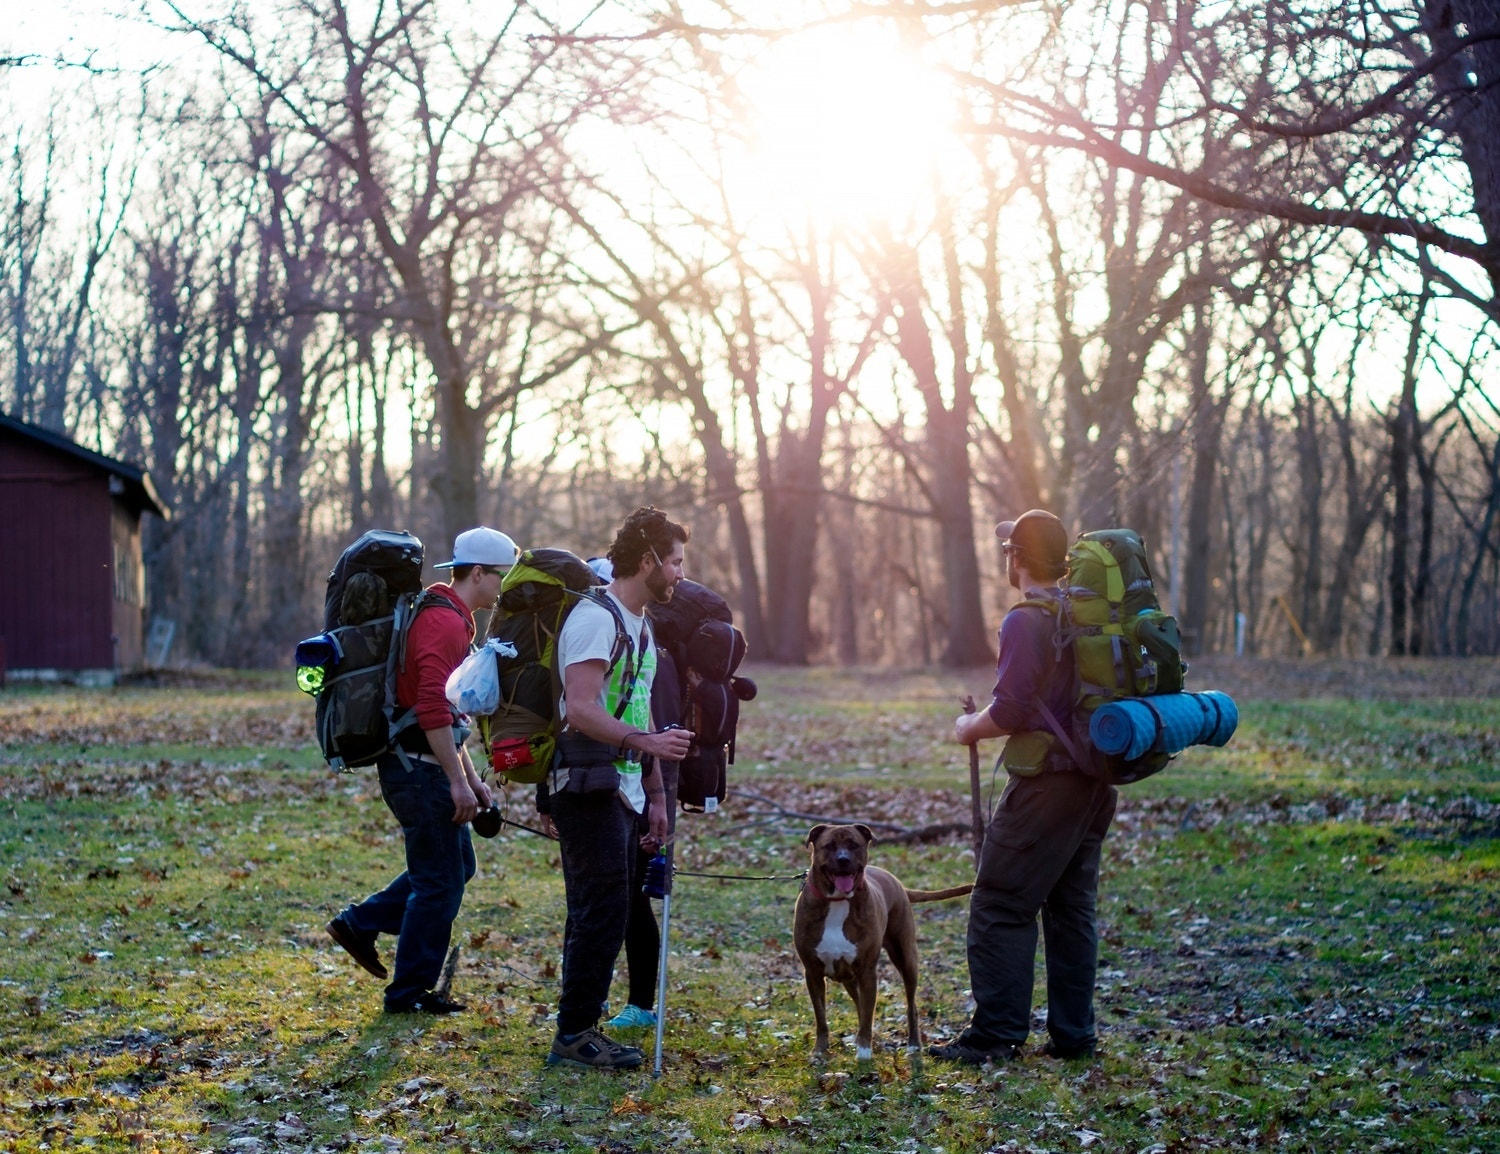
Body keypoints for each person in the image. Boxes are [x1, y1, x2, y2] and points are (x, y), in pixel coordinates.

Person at [929, 509, 1117, 1066]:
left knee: (999, 902)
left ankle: (995, 1035)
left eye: (1008, 550)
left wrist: (969, 727)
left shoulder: (1026, 619)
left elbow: (1009, 710)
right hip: (1095, 780)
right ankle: (1074, 1036)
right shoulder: (1083, 613)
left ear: (1016, 557)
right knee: (1070, 908)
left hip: (1047, 786)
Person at [326, 527, 516, 1014]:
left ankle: (361, 923)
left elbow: (448, 715)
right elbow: (431, 709)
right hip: (419, 771)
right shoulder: (444, 623)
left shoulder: (446, 614)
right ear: (478, 573)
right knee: (439, 886)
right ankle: (408, 992)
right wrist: (456, 782)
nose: (504, 587)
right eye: (502, 577)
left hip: (422, 764)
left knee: (456, 869)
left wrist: (471, 780)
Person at [544, 507, 693, 1069]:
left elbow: (638, 708)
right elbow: (579, 708)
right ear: (648, 560)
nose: (680, 574)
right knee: (599, 912)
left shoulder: (642, 626)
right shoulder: (595, 619)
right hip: (586, 782)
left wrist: (655, 796)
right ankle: (575, 1034)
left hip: (625, 787)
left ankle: (578, 1026)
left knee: (608, 909)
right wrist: (645, 744)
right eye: (675, 562)